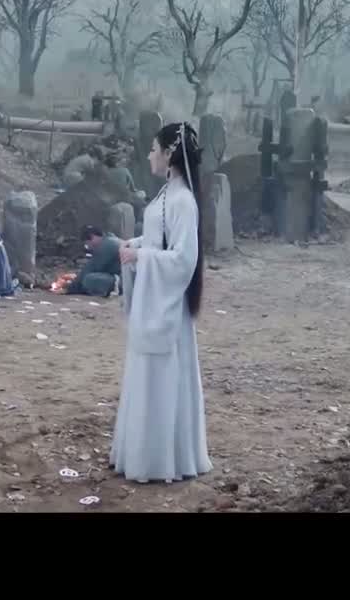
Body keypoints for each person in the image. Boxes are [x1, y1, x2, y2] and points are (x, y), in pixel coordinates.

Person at [113, 121, 212, 484]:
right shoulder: (168, 193)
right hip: (154, 302)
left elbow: (184, 259)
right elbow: (161, 239)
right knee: (147, 377)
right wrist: (137, 245)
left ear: (170, 154)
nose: (149, 155)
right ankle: (144, 454)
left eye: (154, 149)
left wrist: (142, 257)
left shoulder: (183, 200)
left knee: (163, 379)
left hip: (168, 310)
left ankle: (159, 460)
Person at [67, 226, 121, 297]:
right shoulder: (110, 240)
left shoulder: (106, 246)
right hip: (122, 277)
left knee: (89, 279)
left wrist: (70, 287)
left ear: (93, 237)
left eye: (87, 244)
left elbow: (90, 268)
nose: (88, 247)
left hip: (122, 281)